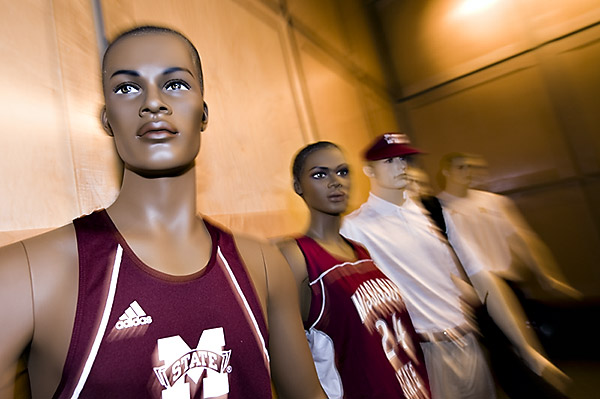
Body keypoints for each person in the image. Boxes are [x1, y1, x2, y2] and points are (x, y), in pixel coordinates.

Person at [0, 26, 325, 399]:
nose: (152, 103)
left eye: (175, 85)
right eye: (127, 88)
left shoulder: (264, 267)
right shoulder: (24, 275)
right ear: (107, 120)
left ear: (203, 113)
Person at [340, 133, 569, 399]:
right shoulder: (355, 228)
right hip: (423, 352)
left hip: (469, 344)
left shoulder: (434, 214)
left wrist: (526, 347)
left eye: (405, 159)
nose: (401, 166)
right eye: (389, 160)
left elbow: (481, 277)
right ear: (369, 170)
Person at [276, 141, 431, 399]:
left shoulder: (362, 252)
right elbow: (286, 368)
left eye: (343, 171)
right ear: (298, 186)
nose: (335, 181)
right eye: (319, 174)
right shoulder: (295, 256)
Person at [437, 152, 580, 297]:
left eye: (469, 167)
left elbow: (521, 238)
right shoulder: (437, 207)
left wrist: (545, 274)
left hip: (508, 282)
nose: (467, 171)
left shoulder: (494, 201)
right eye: (460, 167)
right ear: (446, 171)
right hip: (474, 286)